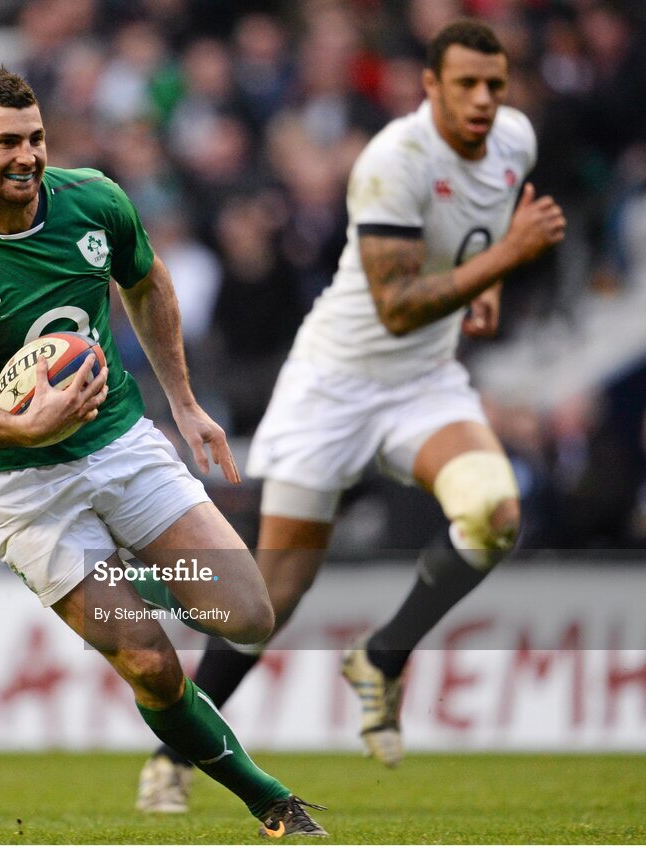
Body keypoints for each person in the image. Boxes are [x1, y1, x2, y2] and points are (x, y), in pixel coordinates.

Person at [137, 19, 566, 812]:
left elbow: (482, 220)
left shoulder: (515, 140)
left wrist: (488, 276)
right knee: (273, 596)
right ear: (428, 88)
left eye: (495, 85)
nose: (483, 100)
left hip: (425, 384)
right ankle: (175, 752)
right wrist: (502, 261)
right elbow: (398, 306)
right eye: (465, 84)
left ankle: (384, 654)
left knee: (495, 514)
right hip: (333, 386)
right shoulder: (391, 162)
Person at [0, 67, 328, 839]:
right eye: (7, 143)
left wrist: (185, 403)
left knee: (248, 612)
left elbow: (148, 281)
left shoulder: (92, 197)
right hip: (23, 485)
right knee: (153, 664)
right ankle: (272, 801)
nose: (28, 155)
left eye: (35, 137)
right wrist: (28, 429)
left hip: (122, 443)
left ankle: (129, 579)